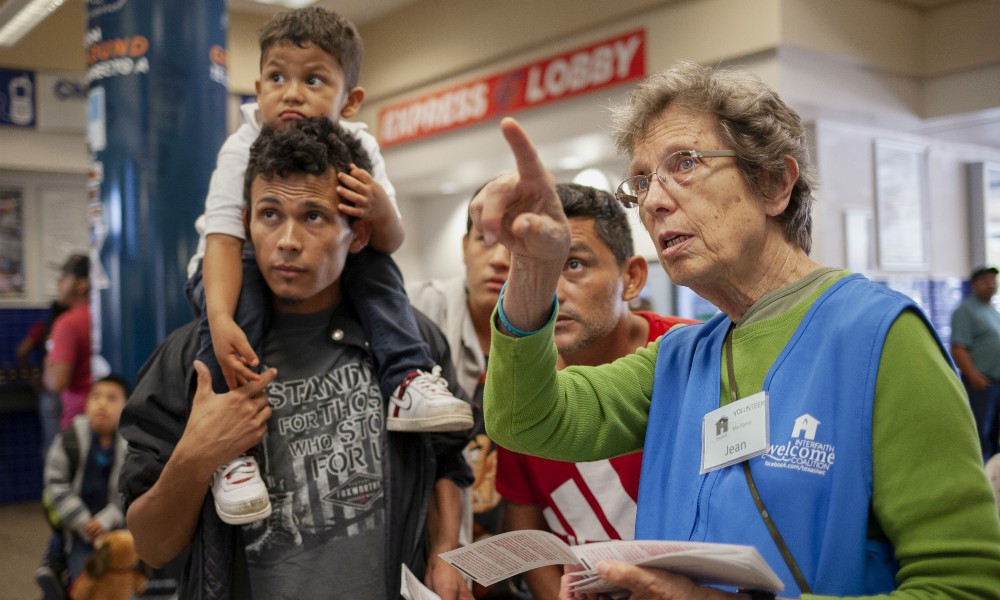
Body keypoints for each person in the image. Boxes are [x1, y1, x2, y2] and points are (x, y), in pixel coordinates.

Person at [472, 61, 1000, 599]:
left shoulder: (880, 336)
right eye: (642, 181)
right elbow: (525, 421)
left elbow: (963, 586)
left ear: (774, 184)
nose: (653, 201)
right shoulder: (679, 357)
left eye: (685, 164)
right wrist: (535, 268)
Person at [120, 118, 473, 600]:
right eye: (270, 214)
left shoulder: (409, 344)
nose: (287, 240)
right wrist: (195, 457)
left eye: (314, 216)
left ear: (360, 233)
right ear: (246, 222)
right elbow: (150, 545)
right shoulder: (195, 358)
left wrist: (445, 551)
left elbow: (446, 461)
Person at [186, 6, 472, 526]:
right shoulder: (242, 144)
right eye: (277, 77)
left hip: (331, 265)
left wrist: (379, 208)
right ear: (258, 86)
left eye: (313, 79)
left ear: (350, 99)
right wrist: (220, 318)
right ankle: (231, 453)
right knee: (238, 316)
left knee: (376, 263)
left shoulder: (359, 146)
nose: (291, 93)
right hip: (229, 266)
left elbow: (389, 237)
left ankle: (407, 378)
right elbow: (225, 240)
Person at [494, 183, 698, 600]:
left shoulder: (694, 356)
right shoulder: (516, 386)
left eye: (572, 264)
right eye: (535, 268)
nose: (552, 289)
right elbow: (525, 524)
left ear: (631, 277)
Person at [35, 374, 130, 600]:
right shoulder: (68, 440)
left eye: (112, 398)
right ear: (86, 404)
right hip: (78, 529)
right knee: (84, 583)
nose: (102, 403)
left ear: (127, 406)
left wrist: (107, 519)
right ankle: (56, 576)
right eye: (95, 396)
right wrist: (84, 522)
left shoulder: (131, 447)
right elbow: (56, 485)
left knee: (119, 584)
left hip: (116, 529)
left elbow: (132, 492)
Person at [950, 265, 1000, 460]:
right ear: (973, 285)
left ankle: (994, 479)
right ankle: (980, 478)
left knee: (995, 435)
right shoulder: (965, 311)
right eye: (985, 280)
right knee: (980, 434)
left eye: (993, 281)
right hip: (981, 385)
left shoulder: (992, 311)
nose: (990, 284)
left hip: (996, 383)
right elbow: (958, 347)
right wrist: (973, 376)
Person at [43, 254, 91, 434]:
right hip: (108, 416)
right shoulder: (102, 316)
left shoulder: (67, 323)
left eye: (64, 277)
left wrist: (48, 360)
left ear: (81, 284)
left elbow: (57, 382)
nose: (59, 283)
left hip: (77, 423)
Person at [15, 299, 69, 455]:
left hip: (49, 390)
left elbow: (21, 351)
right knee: (74, 443)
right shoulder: (69, 327)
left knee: (52, 444)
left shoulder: (43, 327)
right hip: (70, 391)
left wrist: (31, 378)